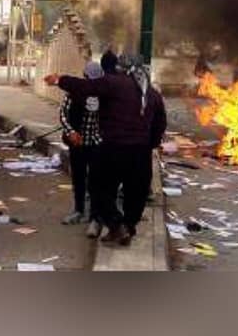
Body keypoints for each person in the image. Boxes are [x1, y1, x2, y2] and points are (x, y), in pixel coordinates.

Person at [44, 53, 167, 246]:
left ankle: (116, 225)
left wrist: (60, 79)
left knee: (99, 188)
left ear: (122, 68)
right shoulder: (152, 94)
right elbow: (160, 125)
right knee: (136, 194)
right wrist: (148, 144)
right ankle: (126, 227)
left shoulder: (114, 83)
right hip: (140, 153)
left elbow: (85, 87)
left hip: (113, 149)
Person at [58, 61, 105, 238]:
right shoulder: (74, 93)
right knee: (78, 177)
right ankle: (78, 210)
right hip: (78, 143)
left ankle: (94, 218)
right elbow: (63, 114)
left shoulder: (105, 94)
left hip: (97, 144)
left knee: (96, 181)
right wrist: (70, 132)